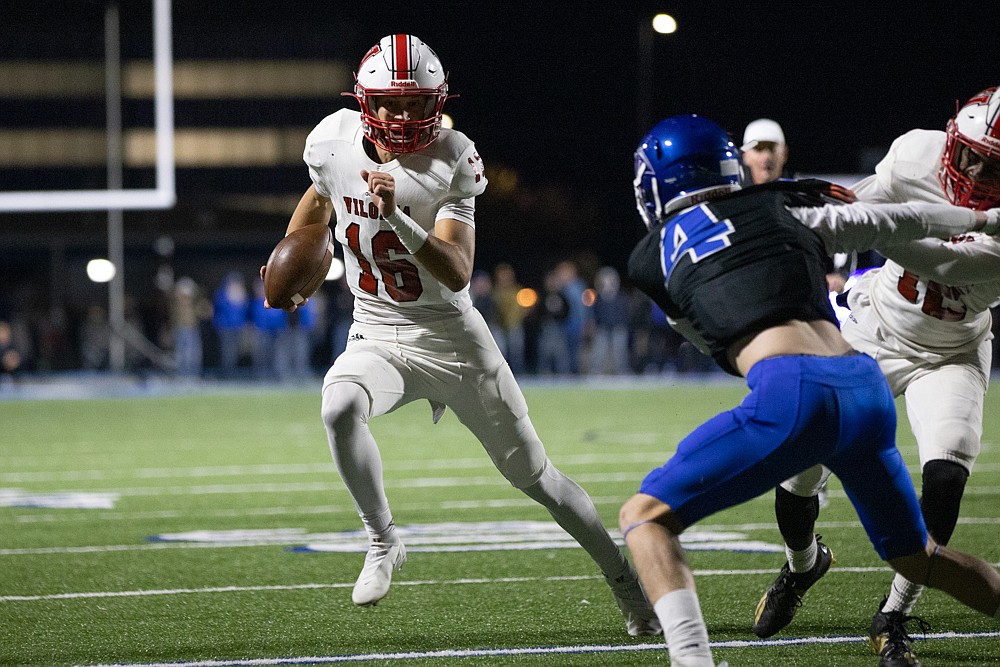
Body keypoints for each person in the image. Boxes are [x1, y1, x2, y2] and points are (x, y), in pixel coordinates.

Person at [262, 34, 658, 636]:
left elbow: (457, 270)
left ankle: (626, 586)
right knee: (339, 403)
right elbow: (320, 198)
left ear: (436, 103)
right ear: (364, 101)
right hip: (376, 329)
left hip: (451, 338)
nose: (402, 116)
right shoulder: (332, 140)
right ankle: (382, 540)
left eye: (416, 104)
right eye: (390, 103)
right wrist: (294, 259)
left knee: (538, 479)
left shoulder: (454, 155)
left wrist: (395, 216)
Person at [619, 113, 1000, 667]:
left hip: (797, 394)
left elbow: (714, 342)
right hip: (864, 383)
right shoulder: (783, 203)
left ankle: (692, 660)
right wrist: (982, 220)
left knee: (644, 518)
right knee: (921, 558)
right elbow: (899, 218)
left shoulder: (646, 258)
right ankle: (805, 564)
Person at [752, 86, 1000, 666]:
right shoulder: (916, 153)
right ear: (951, 138)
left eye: (995, 165)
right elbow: (860, 204)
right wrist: (818, 233)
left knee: (946, 475)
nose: (977, 172)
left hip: (951, 353)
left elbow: (945, 262)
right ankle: (802, 566)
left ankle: (895, 613)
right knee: (797, 463)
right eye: (971, 155)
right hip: (877, 327)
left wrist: (859, 229)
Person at [740, 118, 790, 185]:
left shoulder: (803, 191)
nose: (766, 156)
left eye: (771, 148)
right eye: (758, 148)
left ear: (784, 154)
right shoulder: (732, 192)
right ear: (745, 156)